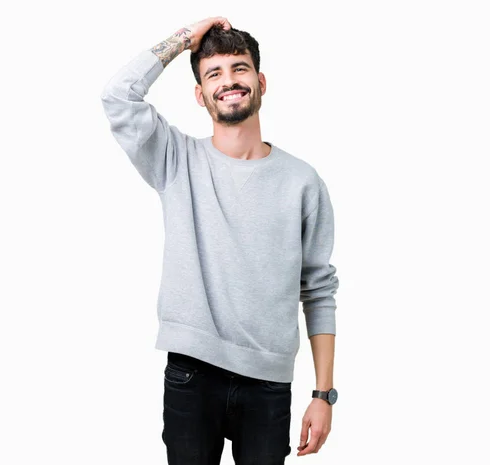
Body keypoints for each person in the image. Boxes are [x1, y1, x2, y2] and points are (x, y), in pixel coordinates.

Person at [101, 16, 340, 464]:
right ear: (200, 94)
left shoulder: (303, 182)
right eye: (214, 73)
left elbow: (319, 290)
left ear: (261, 81)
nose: (229, 81)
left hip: (268, 383)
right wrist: (184, 39)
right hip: (193, 374)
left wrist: (323, 394)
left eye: (239, 68)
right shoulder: (175, 159)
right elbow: (117, 95)